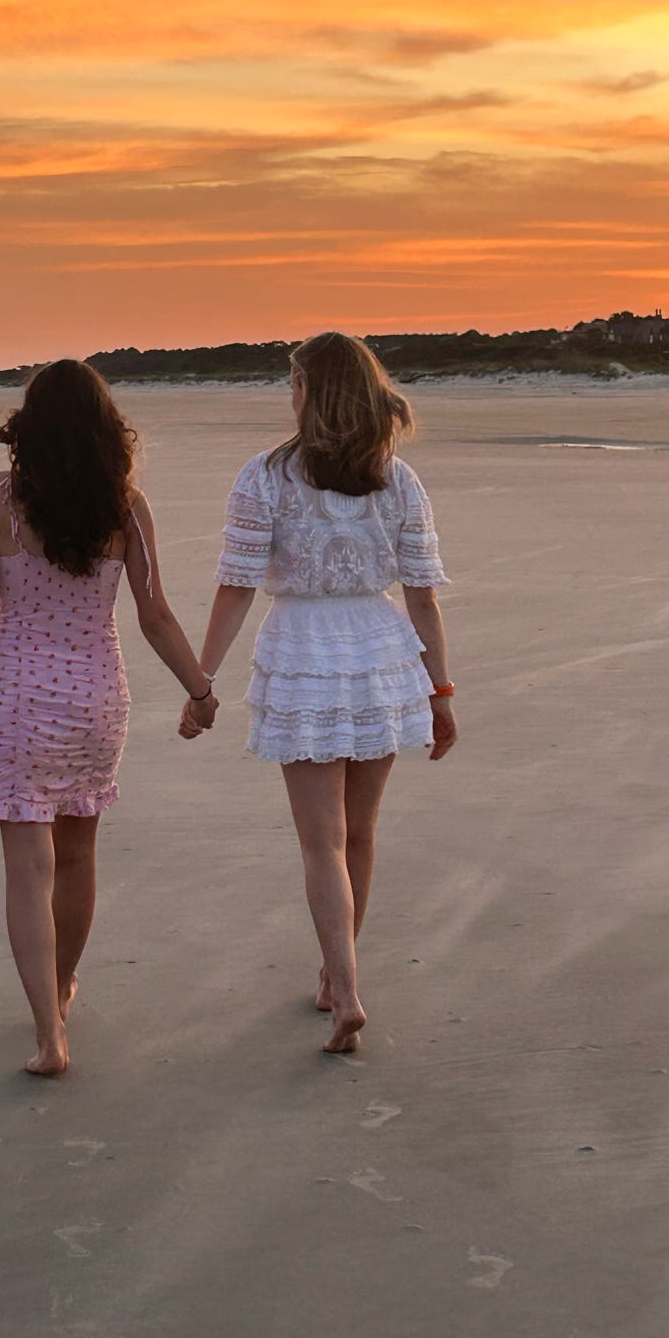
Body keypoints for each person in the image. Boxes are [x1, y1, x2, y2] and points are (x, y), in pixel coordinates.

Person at [0, 360, 216, 1076]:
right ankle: (62, 988)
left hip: (16, 696)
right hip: (96, 696)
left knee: (26, 869)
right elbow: (154, 613)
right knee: (77, 856)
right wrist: (200, 689)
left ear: (28, 427)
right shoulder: (127, 507)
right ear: (105, 431)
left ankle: (48, 1034)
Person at [186, 332, 456, 1055]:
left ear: (310, 392)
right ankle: (337, 982)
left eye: (294, 383)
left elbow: (237, 585)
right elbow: (423, 597)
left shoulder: (266, 475)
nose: (290, 395)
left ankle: (346, 989)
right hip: (382, 652)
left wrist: (201, 679)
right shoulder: (398, 478)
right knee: (358, 835)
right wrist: (440, 691)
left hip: (305, 650)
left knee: (322, 843)